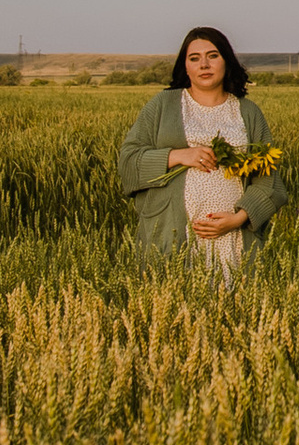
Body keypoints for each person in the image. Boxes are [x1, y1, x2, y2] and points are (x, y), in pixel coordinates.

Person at [117, 26, 284, 273]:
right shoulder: (163, 105)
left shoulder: (248, 112)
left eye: (212, 55)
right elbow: (128, 161)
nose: (204, 64)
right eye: (194, 58)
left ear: (226, 61)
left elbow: (269, 180)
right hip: (171, 232)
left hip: (232, 238)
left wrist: (238, 219)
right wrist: (178, 155)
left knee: (234, 305)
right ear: (185, 67)